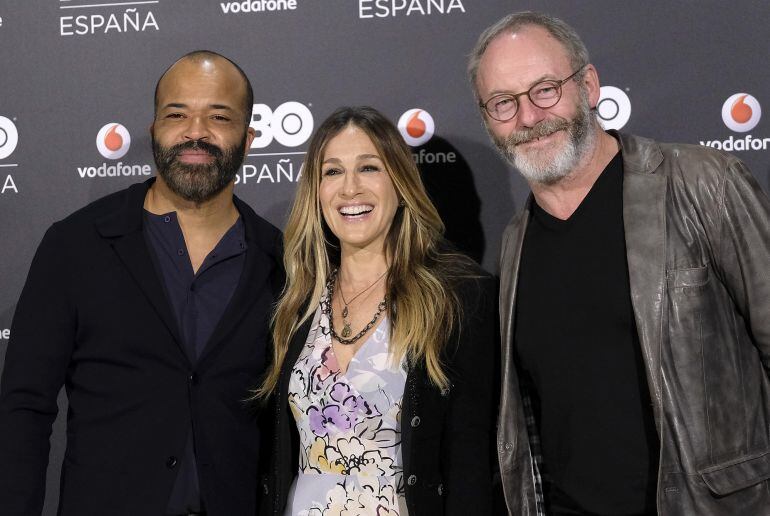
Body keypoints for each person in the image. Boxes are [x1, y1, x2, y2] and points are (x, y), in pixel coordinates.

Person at [469, 11, 770, 516]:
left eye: (545, 89)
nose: (528, 117)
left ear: (588, 85)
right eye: (503, 103)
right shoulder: (514, 245)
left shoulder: (702, 184)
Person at [0, 51, 283, 515]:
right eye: (177, 114)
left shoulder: (283, 261)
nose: (196, 131)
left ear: (249, 139)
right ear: (153, 129)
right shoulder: (76, 245)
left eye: (219, 116)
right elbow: (24, 407)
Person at [257, 106, 496, 515]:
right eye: (332, 172)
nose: (350, 189)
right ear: (316, 192)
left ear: (401, 185)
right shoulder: (295, 302)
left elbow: (470, 461)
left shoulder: (456, 297)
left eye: (369, 168)